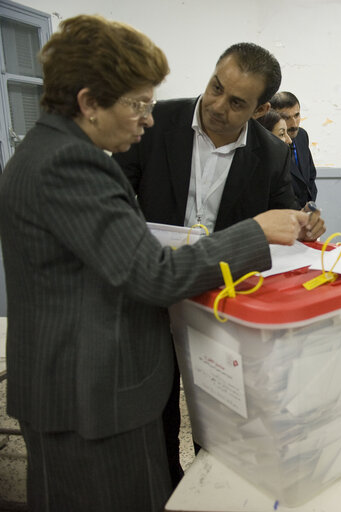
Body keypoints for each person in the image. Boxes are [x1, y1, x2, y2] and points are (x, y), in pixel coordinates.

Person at [0, 15, 310, 512]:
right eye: (139, 105)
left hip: (89, 381)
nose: (148, 120)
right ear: (89, 103)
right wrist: (253, 232)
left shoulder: (53, 152)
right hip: (92, 394)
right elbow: (153, 275)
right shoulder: (71, 166)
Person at [113, 42, 325, 487]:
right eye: (215, 87)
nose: (216, 106)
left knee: (219, 408)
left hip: (220, 300)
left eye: (236, 103)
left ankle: (211, 487)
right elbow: (115, 197)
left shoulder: (271, 153)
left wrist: (304, 226)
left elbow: (284, 219)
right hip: (152, 286)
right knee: (156, 403)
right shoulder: (156, 123)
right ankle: (167, 484)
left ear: (261, 108)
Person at [270, 91, 318, 205]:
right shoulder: (269, 142)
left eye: (296, 115)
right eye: (286, 118)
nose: (294, 124)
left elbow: (310, 174)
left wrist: (309, 206)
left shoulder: (302, 135)